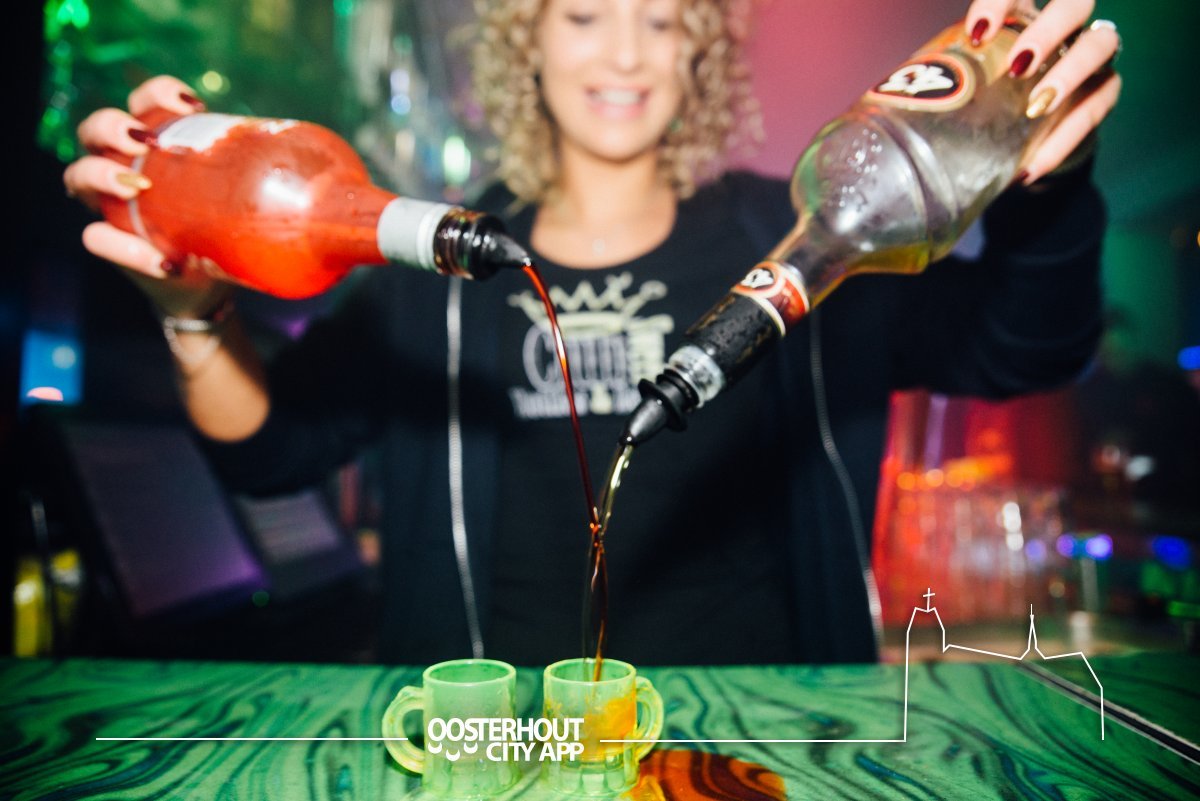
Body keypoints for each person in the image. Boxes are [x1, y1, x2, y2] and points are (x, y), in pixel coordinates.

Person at [62, 0, 1121, 666]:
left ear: (698, 51)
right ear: (527, 41)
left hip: (760, 749)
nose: (624, 53)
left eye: (660, 20)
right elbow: (271, 453)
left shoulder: (807, 242)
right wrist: (191, 316)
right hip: (493, 753)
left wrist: (1047, 185)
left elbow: (1026, 346)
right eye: (583, 15)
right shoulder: (432, 264)